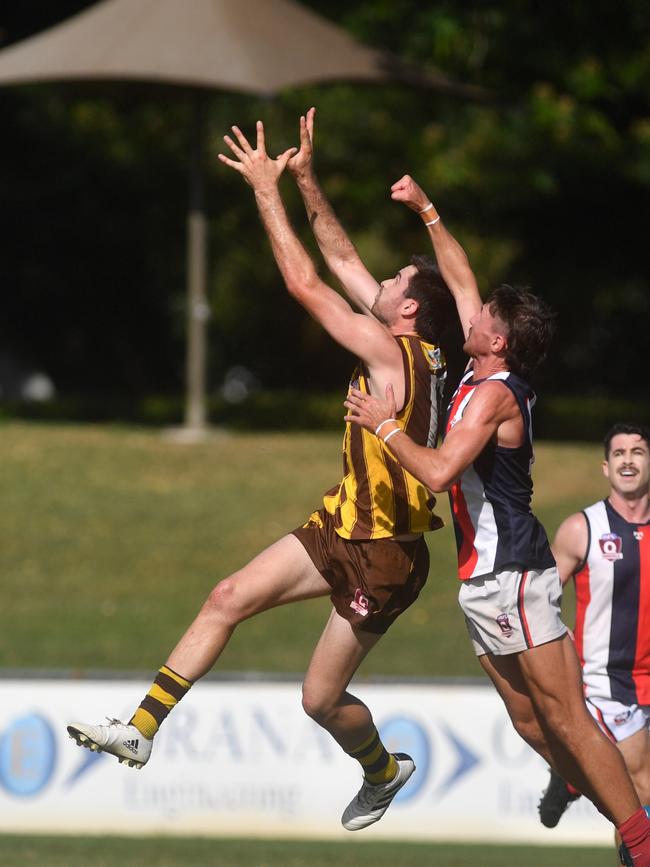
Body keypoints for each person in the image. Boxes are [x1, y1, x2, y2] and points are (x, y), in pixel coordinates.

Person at [67, 111, 457, 832]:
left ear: (409, 308)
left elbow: (308, 283)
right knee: (227, 595)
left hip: (386, 557)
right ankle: (142, 728)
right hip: (342, 521)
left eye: (396, 276)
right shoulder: (413, 349)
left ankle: (382, 770)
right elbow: (341, 263)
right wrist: (307, 181)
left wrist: (264, 191)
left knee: (319, 700)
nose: (381, 275)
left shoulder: (387, 352)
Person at [343, 175, 650, 864]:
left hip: (514, 572)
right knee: (527, 719)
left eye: (483, 315)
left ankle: (640, 836)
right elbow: (457, 274)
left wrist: (385, 426)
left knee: (566, 718)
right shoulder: (478, 371)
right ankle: (612, 806)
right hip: (484, 579)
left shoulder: (494, 394)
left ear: (499, 339)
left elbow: (441, 470)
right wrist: (425, 209)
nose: (471, 313)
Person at [537, 423, 650, 855]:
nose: (628, 460)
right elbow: (538, 596)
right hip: (606, 681)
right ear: (606, 467)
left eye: (637, 451)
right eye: (619, 453)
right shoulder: (582, 528)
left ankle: (569, 778)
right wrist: (556, 632)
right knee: (639, 788)